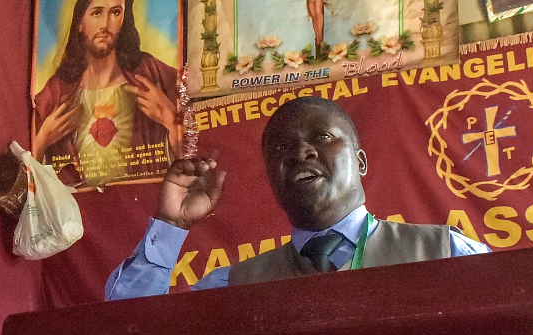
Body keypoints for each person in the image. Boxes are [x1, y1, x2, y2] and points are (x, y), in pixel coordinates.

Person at [105, 96, 490, 300]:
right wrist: (170, 226)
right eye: (282, 146)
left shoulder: (446, 252)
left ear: (360, 162)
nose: (300, 152)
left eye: (321, 138)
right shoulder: (233, 287)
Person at [33, 0, 178, 185]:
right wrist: (42, 140)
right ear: (79, 22)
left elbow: (195, 152)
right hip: (80, 209)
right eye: (97, 13)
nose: (105, 25)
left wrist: (172, 120)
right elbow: (24, 167)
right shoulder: (58, 90)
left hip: (143, 201)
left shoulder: (150, 73)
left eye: (115, 12)